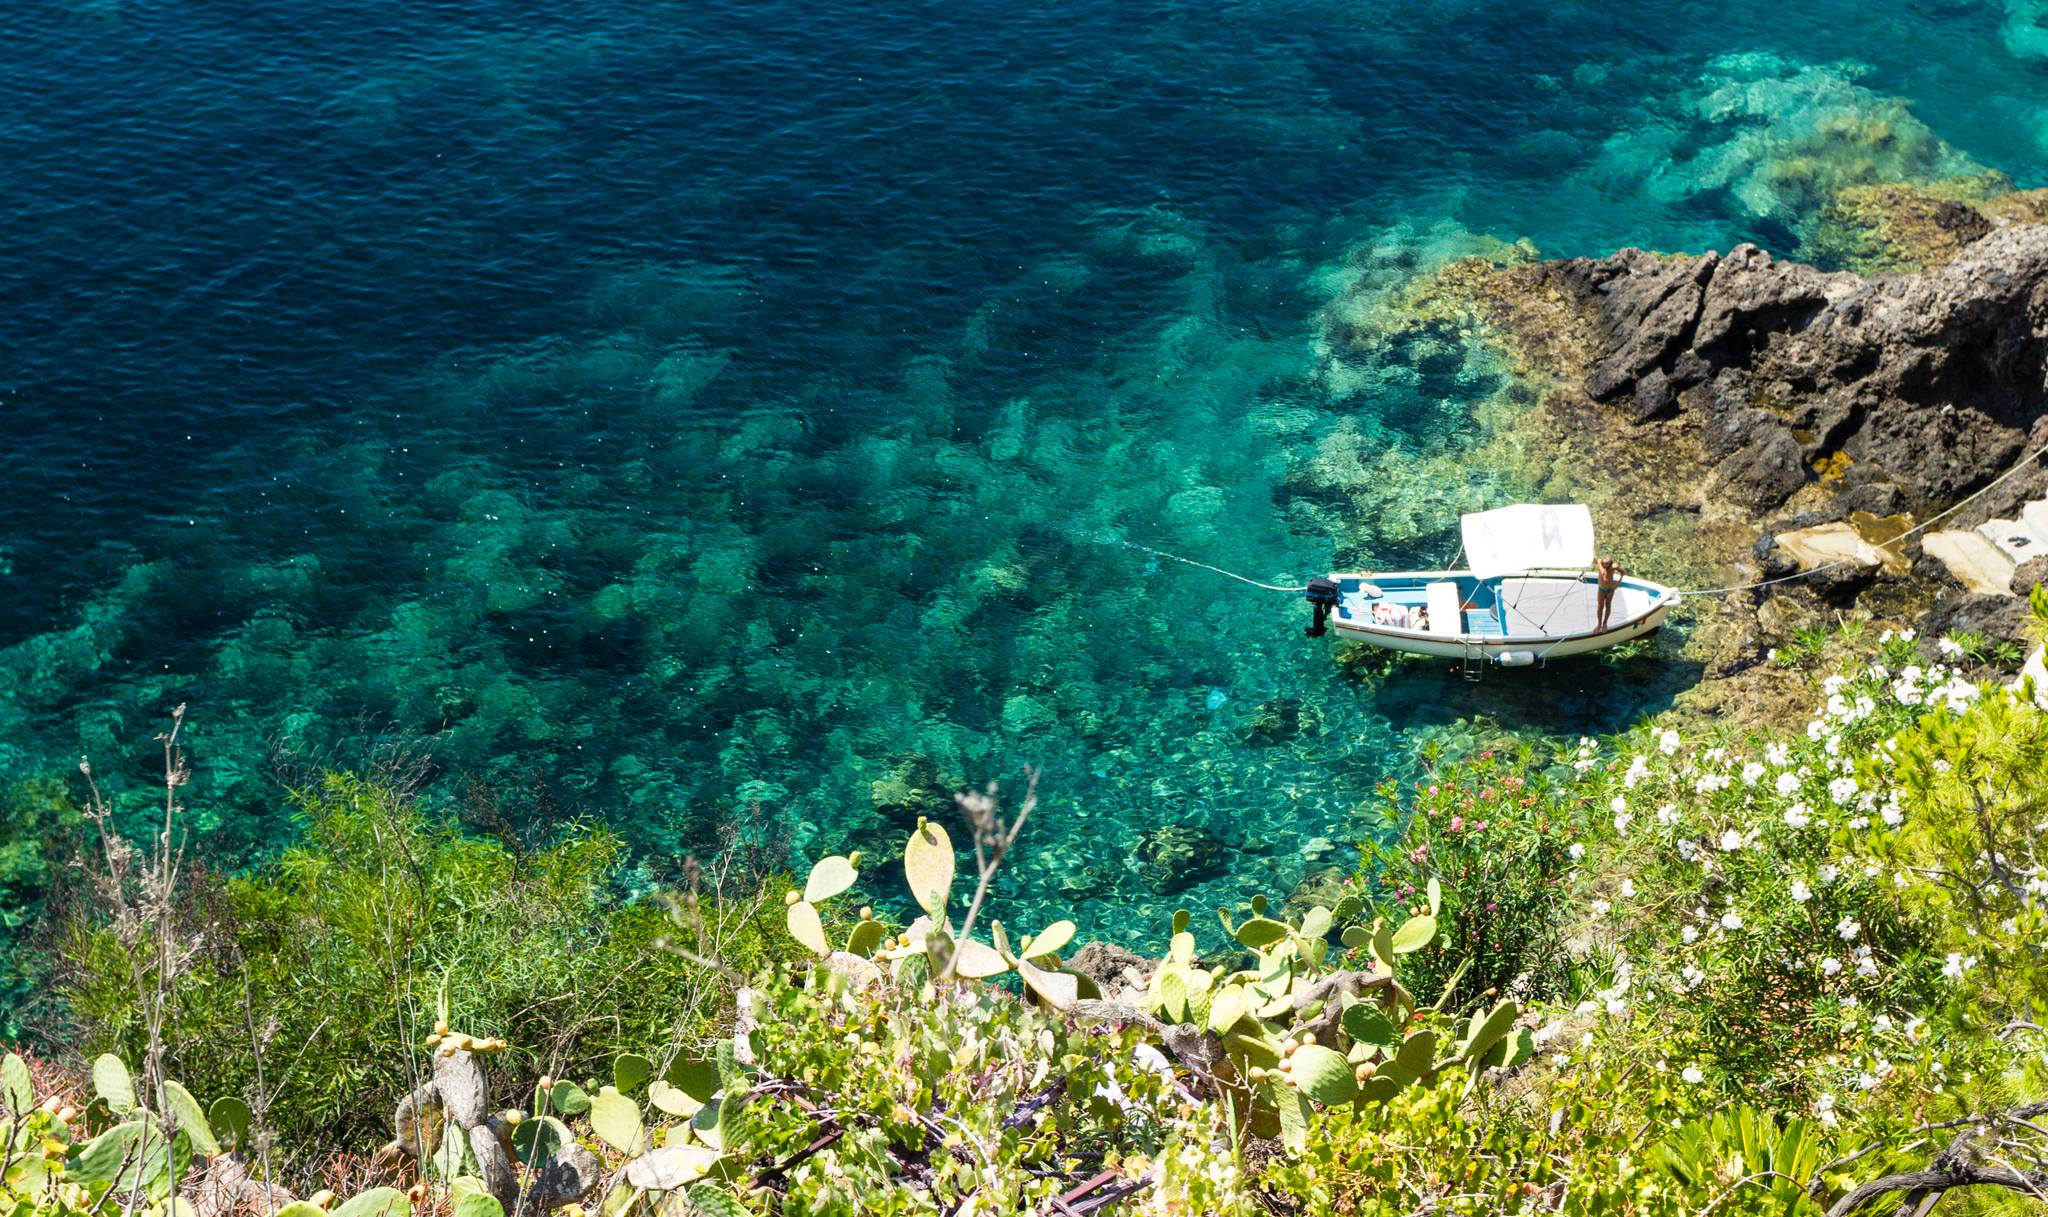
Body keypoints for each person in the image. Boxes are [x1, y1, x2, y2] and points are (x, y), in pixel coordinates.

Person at [1595, 556, 1625, 631]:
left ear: (1610, 563)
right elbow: (1603, 573)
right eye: (1604, 564)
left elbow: (1623, 572)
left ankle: (1605, 623)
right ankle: (1599, 624)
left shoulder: (1614, 566)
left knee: (1608, 605)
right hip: (1601, 589)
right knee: (1600, 606)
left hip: (1610, 589)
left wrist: (1618, 582)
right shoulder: (1599, 563)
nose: (1605, 565)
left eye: (1607, 564)